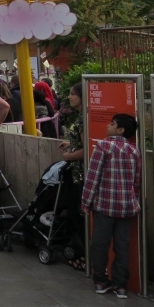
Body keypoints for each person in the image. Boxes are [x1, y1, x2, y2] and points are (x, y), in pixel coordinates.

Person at [81, 113, 141, 299]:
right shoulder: (135, 151)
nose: (108, 125)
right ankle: (120, 285)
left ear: (120, 130)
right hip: (127, 207)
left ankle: (100, 281)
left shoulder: (103, 146)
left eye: (112, 123)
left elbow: (92, 177)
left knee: (100, 244)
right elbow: (136, 182)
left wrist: (85, 202)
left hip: (104, 206)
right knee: (122, 246)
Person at [58, 83, 87, 271]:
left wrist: (69, 156)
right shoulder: (81, 116)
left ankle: (85, 256)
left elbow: (88, 149)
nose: (69, 97)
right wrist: (70, 143)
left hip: (80, 175)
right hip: (78, 174)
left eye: (72, 94)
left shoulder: (85, 118)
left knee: (79, 216)